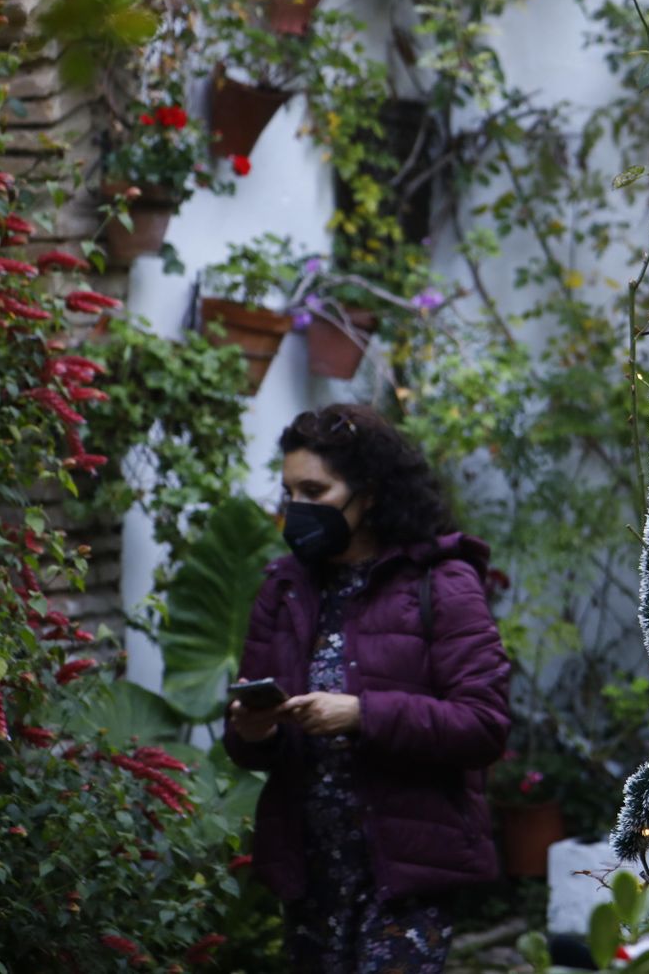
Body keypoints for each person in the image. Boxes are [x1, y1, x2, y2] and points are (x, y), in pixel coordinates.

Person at [224, 403, 511, 973]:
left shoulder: (442, 583)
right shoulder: (283, 591)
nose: (298, 509)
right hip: (311, 873)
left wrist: (362, 714)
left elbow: (484, 725)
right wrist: (253, 729)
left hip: (405, 875)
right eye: (290, 492)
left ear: (371, 493)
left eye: (316, 490)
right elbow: (249, 746)